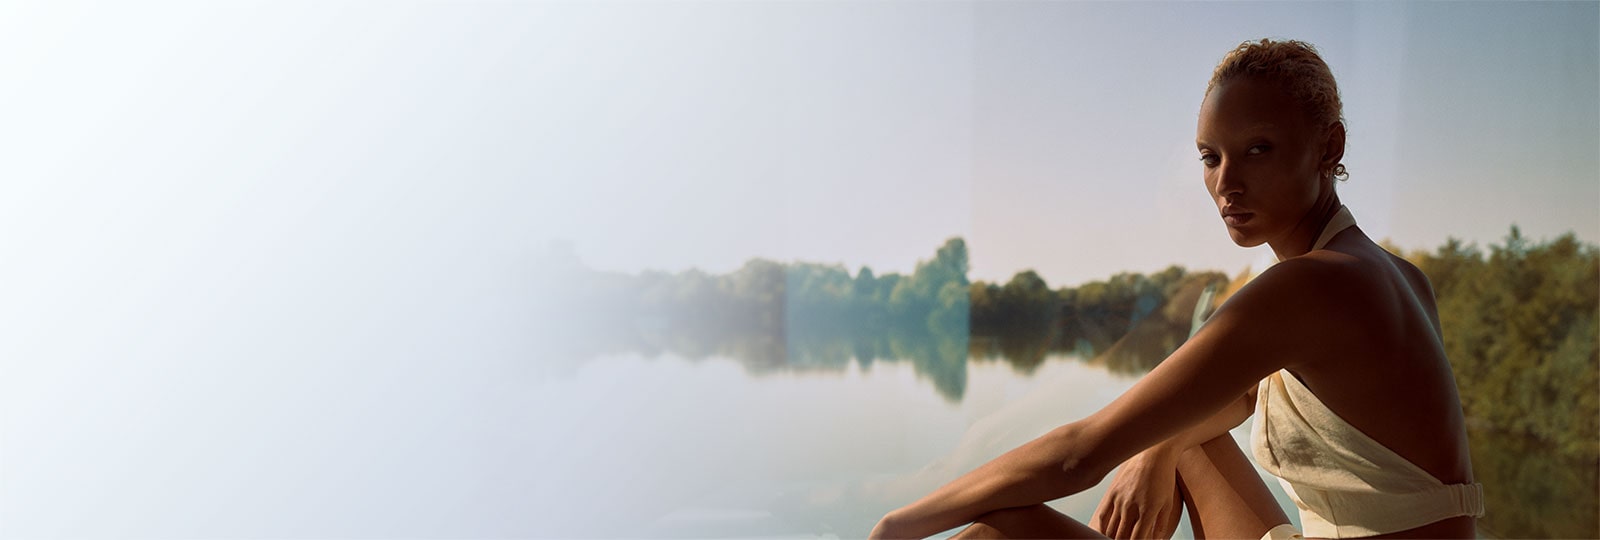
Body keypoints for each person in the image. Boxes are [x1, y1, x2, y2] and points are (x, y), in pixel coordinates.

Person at [867, 38, 1485, 540]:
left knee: (997, 534)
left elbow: (1079, 454)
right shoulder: (1399, 276)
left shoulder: (1311, 285)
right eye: (1210, 157)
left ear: (1329, 146)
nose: (1227, 183)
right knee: (1178, 433)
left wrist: (898, 524)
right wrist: (1158, 453)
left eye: (1257, 150)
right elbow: (1234, 397)